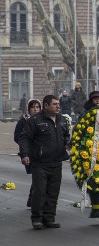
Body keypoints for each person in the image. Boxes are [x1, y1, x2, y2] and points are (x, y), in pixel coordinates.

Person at [18, 95, 70, 230]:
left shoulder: (62, 119)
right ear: (46, 106)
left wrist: (68, 144)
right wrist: (24, 154)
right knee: (39, 191)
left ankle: (49, 218)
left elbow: (66, 136)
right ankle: (36, 219)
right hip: (40, 163)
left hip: (56, 162)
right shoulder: (35, 120)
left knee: (53, 192)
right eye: (54, 104)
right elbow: (24, 138)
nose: (58, 106)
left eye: (58, 104)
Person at [14, 99, 41, 207]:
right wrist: (27, 144)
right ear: (29, 109)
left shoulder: (43, 120)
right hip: (29, 153)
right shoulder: (24, 120)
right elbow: (17, 137)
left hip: (41, 153)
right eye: (33, 107)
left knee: (39, 178)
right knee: (38, 177)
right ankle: (33, 200)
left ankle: (32, 200)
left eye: (37, 107)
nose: (35, 109)